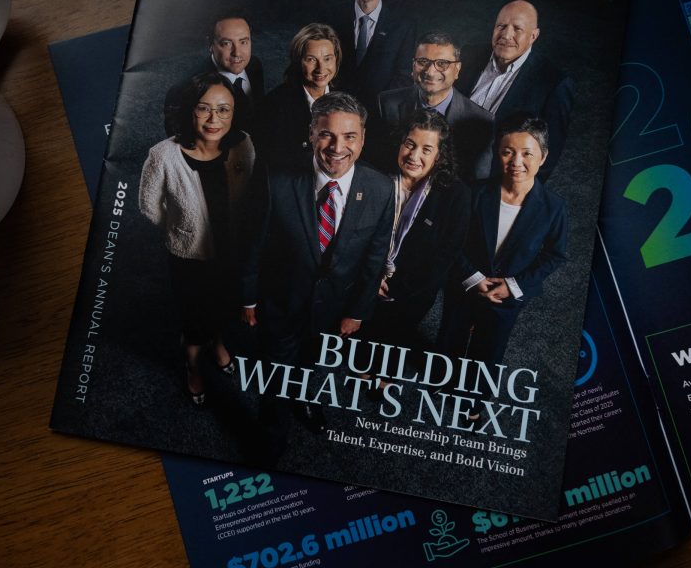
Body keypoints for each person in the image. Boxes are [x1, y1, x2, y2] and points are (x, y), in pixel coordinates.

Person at [241, 91, 393, 433]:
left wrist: (357, 311)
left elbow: (374, 257)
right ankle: (270, 436)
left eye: (350, 136)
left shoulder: (381, 189)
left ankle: (303, 398)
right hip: (281, 302)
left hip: (333, 309)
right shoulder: (274, 177)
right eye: (327, 134)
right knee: (276, 378)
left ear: (363, 138)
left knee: (310, 363)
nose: (337, 147)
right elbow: (254, 242)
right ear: (312, 133)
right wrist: (248, 296)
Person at [140, 73, 255, 406]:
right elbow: (148, 205)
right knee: (193, 318)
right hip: (188, 256)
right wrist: (180, 228)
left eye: (223, 110)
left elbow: (249, 196)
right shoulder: (163, 155)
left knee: (221, 305)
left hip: (229, 251)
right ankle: (192, 366)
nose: (214, 119)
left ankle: (217, 343)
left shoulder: (243, 144)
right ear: (190, 111)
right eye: (204, 109)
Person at [440, 115, 568, 369]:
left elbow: (555, 254)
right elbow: (451, 240)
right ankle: (441, 381)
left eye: (527, 154)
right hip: (465, 283)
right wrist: (474, 278)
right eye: (507, 152)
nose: (516, 162)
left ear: (543, 157)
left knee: (490, 347)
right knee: (450, 337)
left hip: (509, 294)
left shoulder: (553, 207)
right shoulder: (475, 193)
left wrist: (514, 285)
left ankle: (475, 401)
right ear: (497, 153)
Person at [360, 109, 471, 391]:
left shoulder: (456, 196)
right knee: (366, 329)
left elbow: (444, 258)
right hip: (369, 274)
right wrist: (372, 277)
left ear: (439, 156)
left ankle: (387, 372)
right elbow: (355, 235)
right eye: (410, 144)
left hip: (414, 288)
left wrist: (398, 288)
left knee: (398, 330)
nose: (414, 155)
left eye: (426, 149)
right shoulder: (373, 176)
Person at [458, 0, 574, 176]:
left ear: (533, 36)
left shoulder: (553, 83)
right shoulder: (468, 54)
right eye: (501, 26)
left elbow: (549, 152)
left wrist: (516, 195)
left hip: (492, 174)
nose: (506, 35)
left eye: (517, 29)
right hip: (449, 151)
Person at [376, 32, 494, 182]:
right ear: (413, 65)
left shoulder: (480, 121)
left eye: (442, 63)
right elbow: (377, 164)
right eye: (423, 61)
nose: (431, 71)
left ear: (457, 69)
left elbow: (476, 183)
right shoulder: (387, 103)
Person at [330, 0, 416, 110]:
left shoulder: (403, 26)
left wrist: (377, 109)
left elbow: (403, 77)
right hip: (334, 109)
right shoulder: (332, 17)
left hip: (377, 114)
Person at [254, 22, 341, 172]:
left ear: (336, 59)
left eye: (327, 58)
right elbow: (272, 165)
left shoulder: (346, 98)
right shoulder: (274, 105)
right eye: (311, 59)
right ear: (298, 61)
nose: (321, 68)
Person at [163, 15, 264, 137]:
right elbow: (180, 145)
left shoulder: (253, 65)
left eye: (243, 42)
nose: (237, 53)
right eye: (226, 43)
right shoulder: (183, 90)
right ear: (210, 44)